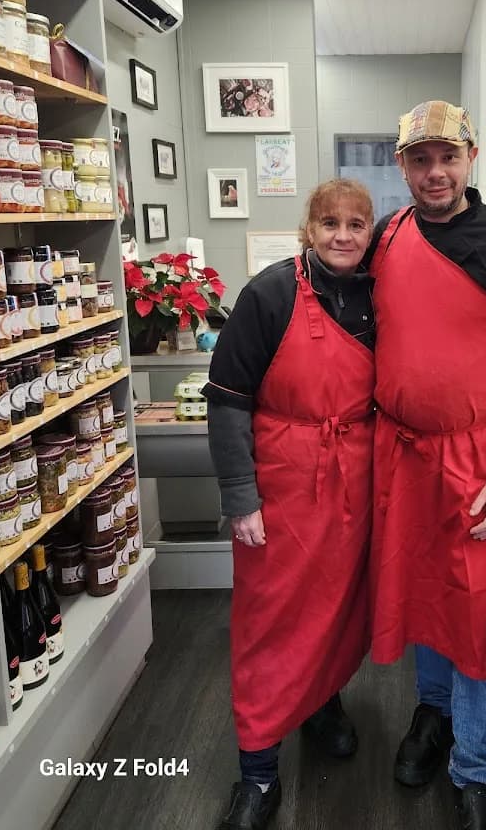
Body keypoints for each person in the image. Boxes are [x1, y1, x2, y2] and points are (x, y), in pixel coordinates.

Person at [368, 101, 486, 830]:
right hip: (403, 455)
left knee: (474, 611)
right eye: (420, 159)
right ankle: (434, 714)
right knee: (424, 594)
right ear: (402, 166)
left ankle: (477, 766)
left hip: (478, 460)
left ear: (472, 157)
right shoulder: (388, 237)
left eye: (447, 156)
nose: (435, 172)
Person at [203, 179, 376, 830]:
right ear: (308, 228)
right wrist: (240, 497)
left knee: (336, 609)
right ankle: (258, 772)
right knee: (269, 624)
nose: (342, 235)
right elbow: (226, 399)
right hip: (280, 484)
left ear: (369, 232)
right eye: (329, 222)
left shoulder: (375, 297)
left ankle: (321, 704)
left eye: (356, 224)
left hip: (351, 483)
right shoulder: (270, 293)